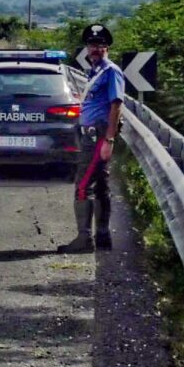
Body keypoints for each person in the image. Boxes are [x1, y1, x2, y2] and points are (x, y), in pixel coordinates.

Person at [58, 24, 125, 252]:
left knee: (82, 185)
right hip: (91, 134)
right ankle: (103, 235)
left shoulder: (110, 72)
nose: (95, 49)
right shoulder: (94, 72)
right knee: (101, 185)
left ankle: (84, 239)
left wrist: (109, 140)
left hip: (98, 136)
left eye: (99, 45)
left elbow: (116, 105)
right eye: (91, 45)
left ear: (107, 47)